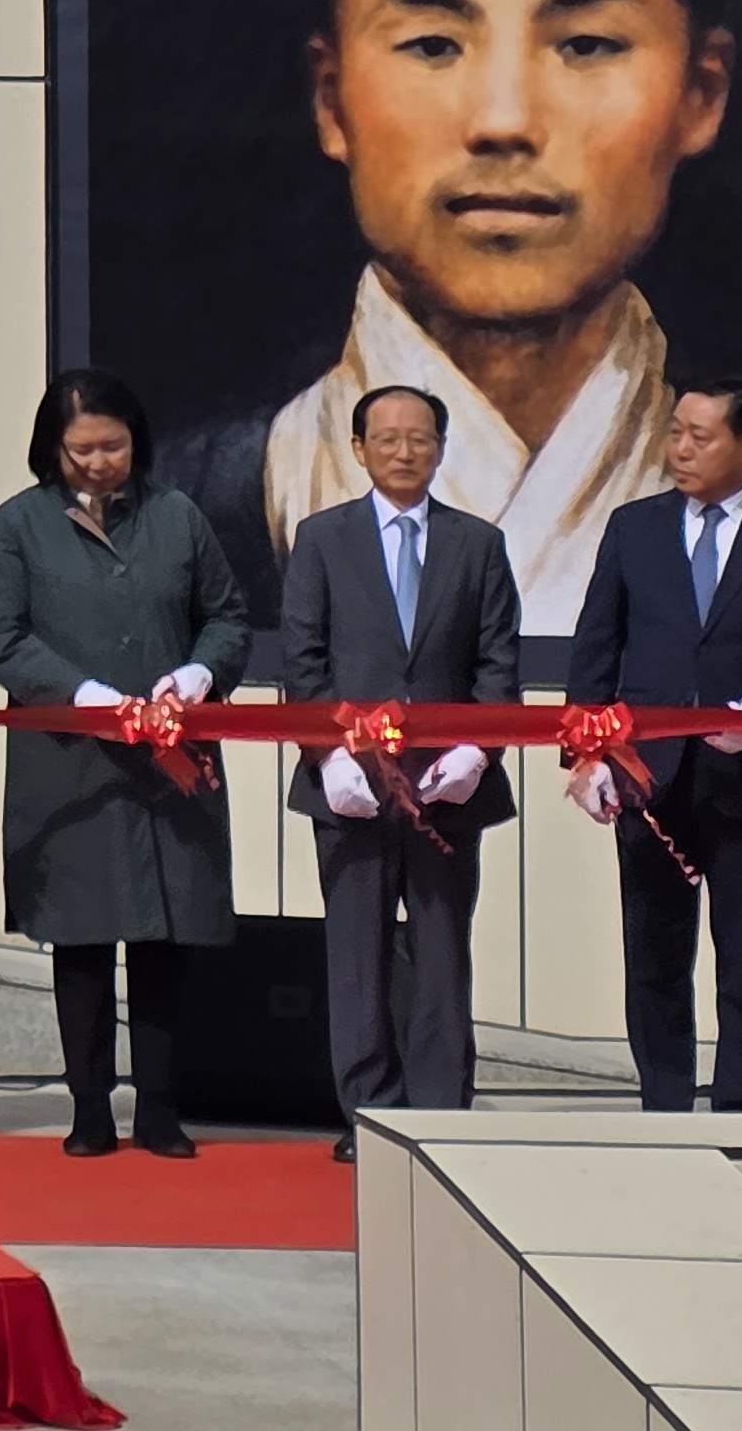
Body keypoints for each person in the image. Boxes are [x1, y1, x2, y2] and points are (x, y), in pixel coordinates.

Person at [162, 0, 742, 635]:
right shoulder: (193, 507)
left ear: (701, 94)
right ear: (330, 99)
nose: (505, 121)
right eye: (432, 45)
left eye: (587, 44)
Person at [0, 367, 248, 1161]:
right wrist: (82, 691)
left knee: (166, 937)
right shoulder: (19, 524)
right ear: (51, 449)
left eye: (113, 447)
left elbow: (225, 616)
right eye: (81, 450)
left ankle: (159, 1107)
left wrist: (199, 673)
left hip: (172, 761)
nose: (99, 463)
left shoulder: (178, 514)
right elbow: (2, 634)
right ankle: (89, 1106)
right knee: (82, 939)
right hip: (72, 764)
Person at [567, 381, 742, 1114]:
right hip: (647, 776)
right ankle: (662, 1103)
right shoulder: (634, 528)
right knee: (654, 955)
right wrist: (586, 755)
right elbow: (596, 648)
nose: (681, 449)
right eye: (675, 433)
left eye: (701, 435)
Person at [278, 383, 522, 1158]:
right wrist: (328, 757)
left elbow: (497, 664)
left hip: (447, 786)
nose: (404, 452)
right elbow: (303, 663)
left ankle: (442, 1109)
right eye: (386, 439)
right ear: (358, 450)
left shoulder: (477, 544)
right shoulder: (321, 539)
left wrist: (478, 751)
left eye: (419, 439)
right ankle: (370, 1116)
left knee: (444, 949)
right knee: (358, 952)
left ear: (442, 448)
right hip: (349, 786)